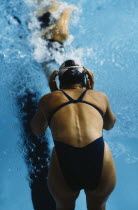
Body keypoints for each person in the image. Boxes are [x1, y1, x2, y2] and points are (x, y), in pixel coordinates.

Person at [31, 60, 116, 210]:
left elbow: (37, 130)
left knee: (64, 206)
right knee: (98, 205)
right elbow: (109, 125)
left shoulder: (47, 100)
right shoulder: (100, 97)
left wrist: (53, 96)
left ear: (58, 80)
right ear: (86, 79)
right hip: (99, 159)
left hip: (65, 159)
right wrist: (91, 92)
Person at [36, 0, 74, 78]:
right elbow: (68, 9)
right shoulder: (62, 32)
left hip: (46, 26)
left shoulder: (61, 33)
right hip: (48, 22)